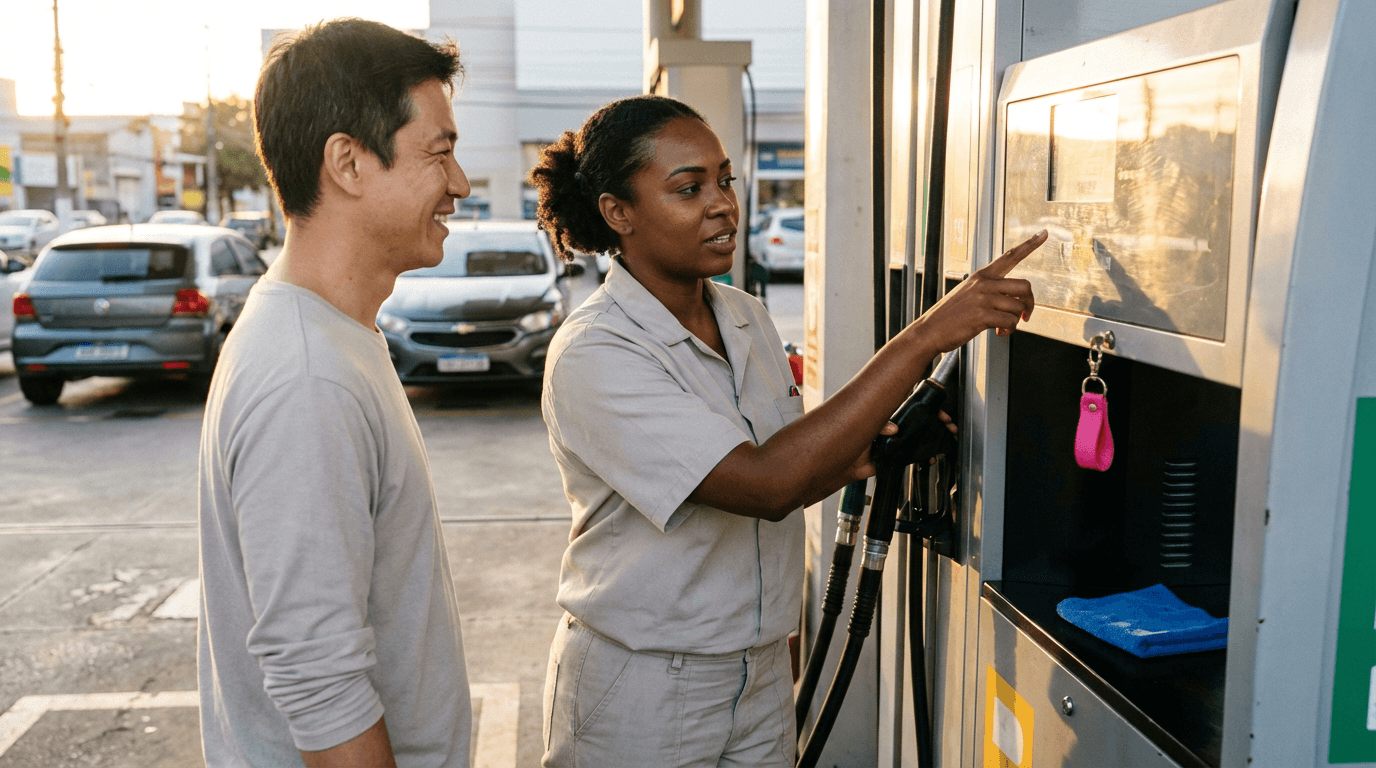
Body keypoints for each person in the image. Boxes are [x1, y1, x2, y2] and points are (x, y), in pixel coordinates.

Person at [529, 94, 1044, 768]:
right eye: (689, 189)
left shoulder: (743, 317)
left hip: (761, 672)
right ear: (617, 213)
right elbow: (766, 483)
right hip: (645, 686)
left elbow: (797, 462)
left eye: (724, 180)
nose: (722, 204)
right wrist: (928, 334)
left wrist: (876, 445)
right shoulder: (598, 352)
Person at [197, 19, 473, 768]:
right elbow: (321, 688)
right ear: (348, 163)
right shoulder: (306, 376)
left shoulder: (329, 337)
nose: (460, 183)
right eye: (439, 152)